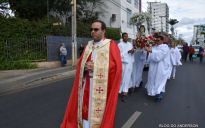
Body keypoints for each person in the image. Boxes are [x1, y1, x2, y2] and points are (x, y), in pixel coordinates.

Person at [61, 20, 122, 128]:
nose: (93, 32)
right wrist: (84, 68)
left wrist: (97, 68)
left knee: (99, 113)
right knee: (86, 110)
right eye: (91, 29)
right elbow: (81, 66)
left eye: (96, 29)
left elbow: (116, 68)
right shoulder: (88, 46)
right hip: (87, 85)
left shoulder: (111, 45)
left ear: (103, 31)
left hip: (102, 87)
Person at [144, 36, 170, 102]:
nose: (157, 42)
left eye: (158, 40)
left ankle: (159, 96)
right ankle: (153, 92)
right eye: (156, 40)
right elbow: (149, 59)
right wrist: (147, 52)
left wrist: (150, 50)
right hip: (153, 67)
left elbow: (159, 56)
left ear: (162, 41)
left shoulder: (165, 47)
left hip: (161, 67)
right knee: (152, 80)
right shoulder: (154, 47)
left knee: (159, 81)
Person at [118, 32, 135, 102]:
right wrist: (127, 52)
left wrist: (132, 51)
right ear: (122, 38)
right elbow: (118, 54)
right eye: (124, 36)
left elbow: (132, 53)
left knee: (128, 77)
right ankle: (129, 89)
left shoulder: (130, 44)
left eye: (127, 36)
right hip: (123, 63)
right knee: (123, 77)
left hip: (129, 63)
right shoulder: (119, 45)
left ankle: (125, 92)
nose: (126, 37)